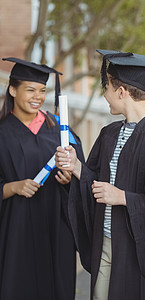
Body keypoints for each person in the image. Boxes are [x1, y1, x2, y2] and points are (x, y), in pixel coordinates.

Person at [55, 50, 145, 300]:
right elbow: (98, 184)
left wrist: (124, 197)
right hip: (105, 240)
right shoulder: (110, 133)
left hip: (138, 250)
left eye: (107, 88)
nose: (105, 96)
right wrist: (77, 167)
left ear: (122, 91)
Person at [0, 57, 84, 300]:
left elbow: (84, 177)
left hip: (56, 232)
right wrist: (12, 187)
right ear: (13, 90)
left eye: (42, 90)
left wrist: (70, 180)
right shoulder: (3, 133)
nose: (37, 96)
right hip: (15, 232)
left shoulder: (61, 133)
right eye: (30, 89)